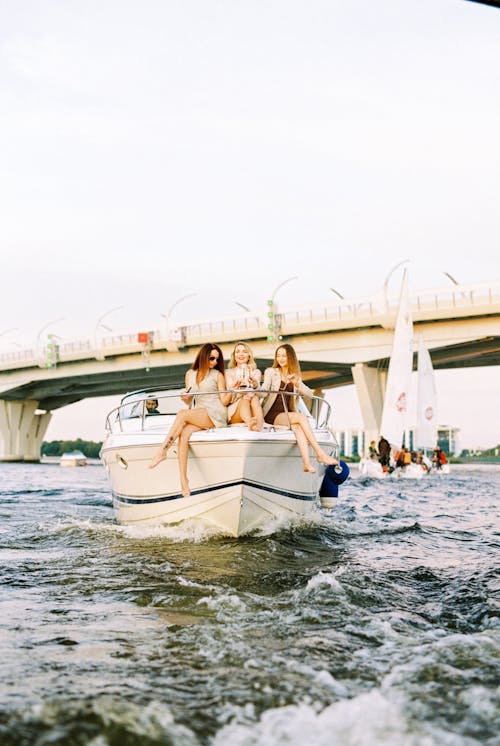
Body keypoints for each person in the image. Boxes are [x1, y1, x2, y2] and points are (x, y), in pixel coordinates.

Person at [148, 343, 232, 496]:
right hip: (198, 412)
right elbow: (189, 400)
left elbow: (224, 400)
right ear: (203, 356)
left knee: (182, 414)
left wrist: (234, 391)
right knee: (184, 433)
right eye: (211, 358)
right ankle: (183, 480)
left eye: (216, 360)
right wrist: (185, 398)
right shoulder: (190, 374)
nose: (214, 362)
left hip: (216, 413)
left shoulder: (217, 375)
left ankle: (162, 451)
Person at [260, 343, 338, 473]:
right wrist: (253, 389)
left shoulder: (295, 376)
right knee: (301, 417)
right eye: (278, 356)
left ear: (290, 357)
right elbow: (264, 390)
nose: (281, 358)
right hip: (271, 414)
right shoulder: (271, 372)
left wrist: (297, 383)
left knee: (298, 429)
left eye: (284, 356)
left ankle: (306, 464)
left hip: (286, 414)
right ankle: (320, 453)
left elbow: (309, 394)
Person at [225, 342, 264, 431]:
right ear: (234, 356)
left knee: (254, 398)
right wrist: (239, 390)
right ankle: (250, 422)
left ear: (249, 355)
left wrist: (255, 385)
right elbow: (230, 398)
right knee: (246, 398)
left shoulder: (256, 372)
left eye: (244, 351)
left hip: (252, 406)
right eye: (237, 351)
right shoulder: (228, 373)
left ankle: (260, 425)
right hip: (235, 411)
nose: (241, 354)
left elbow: (262, 394)